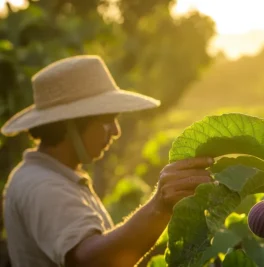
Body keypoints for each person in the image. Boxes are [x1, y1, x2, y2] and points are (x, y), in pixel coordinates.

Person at [1, 55, 214, 267]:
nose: (115, 131)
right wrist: (158, 206)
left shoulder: (55, 176)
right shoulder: (43, 185)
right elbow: (92, 261)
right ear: (70, 125)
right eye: (107, 119)